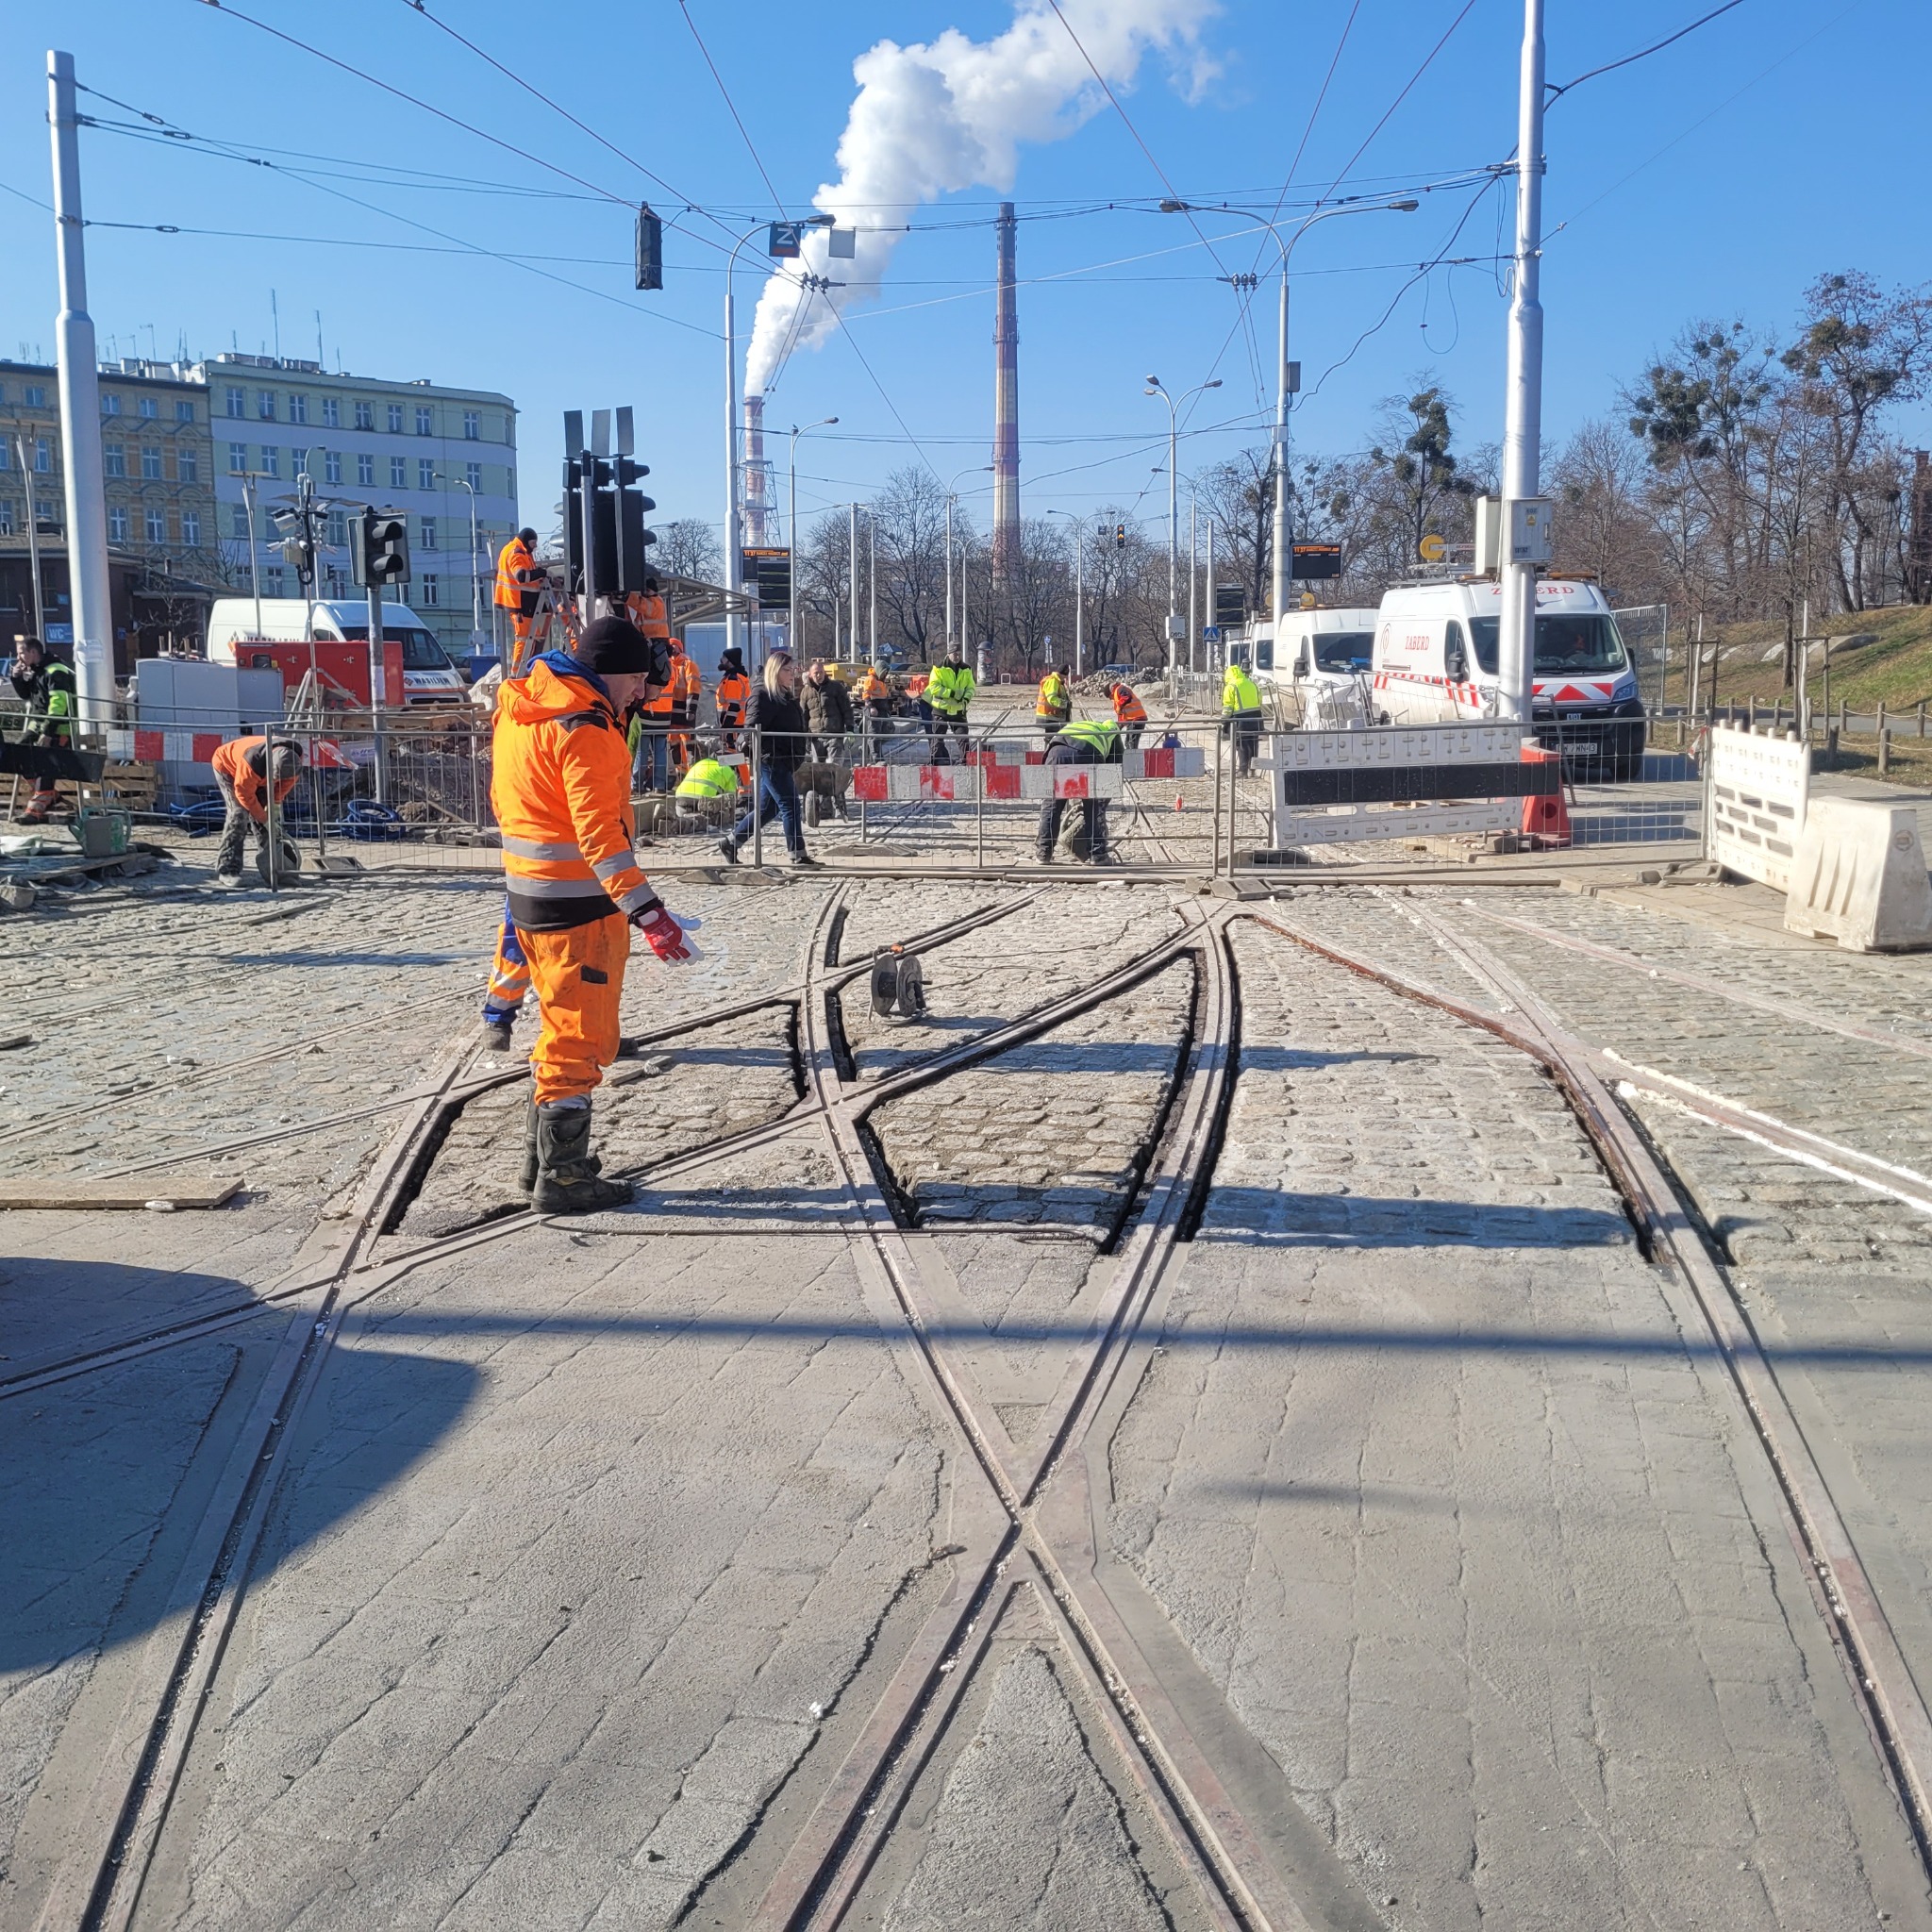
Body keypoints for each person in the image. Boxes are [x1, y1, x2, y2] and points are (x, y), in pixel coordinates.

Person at [491, 613, 691, 1212]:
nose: (641, 693)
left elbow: (507, 802)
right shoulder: (588, 728)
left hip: (529, 897)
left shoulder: (523, 710)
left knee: (558, 1032)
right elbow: (600, 835)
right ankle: (565, 1177)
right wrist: (649, 913)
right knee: (580, 1040)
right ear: (616, 672)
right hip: (579, 907)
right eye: (637, 682)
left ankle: (540, 1163)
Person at [717, 649, 817, 869]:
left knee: (767, 809)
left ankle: (731, 842)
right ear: (776, 671)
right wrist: (762, 754)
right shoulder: (762, 694)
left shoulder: (782, 694)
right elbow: (751, 727)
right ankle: (797, 854)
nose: (792, 674)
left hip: (784, 759)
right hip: (772, 760)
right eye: (788, 670)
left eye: (793, 670)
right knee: (790, 805)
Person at [208, 734, 304, 886]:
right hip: (228, 768)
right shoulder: (252, 761)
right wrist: (264, 818)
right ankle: (227, 869)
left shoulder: (294, 762)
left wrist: (274, 811)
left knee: (268, 820)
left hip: (259, 776)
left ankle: (277, 869)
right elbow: (244, 794)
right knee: (238, 815)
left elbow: (281, 789)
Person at [1035, 715, 1122, 866]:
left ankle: (1043, 854)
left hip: (1055, 752)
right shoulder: (1113, 733)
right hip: (1086, 753)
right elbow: (1113, 772)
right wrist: (1102, 803)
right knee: (1093, 806)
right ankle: (1098, 854)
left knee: (1052, 806)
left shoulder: (1082, 726)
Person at [8, 636, 76, 824]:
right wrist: (16, 677)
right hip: (37, 725)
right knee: (17, 755)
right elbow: (27, 695)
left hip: (58, 730)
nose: (19, 657)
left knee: (46, 765)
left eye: (21, 652)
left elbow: (59, 704)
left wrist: (48, 732)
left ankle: (35, 811)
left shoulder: (55, 671)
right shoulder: (39, 671)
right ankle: (50, 796)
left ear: (32, 652)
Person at [802, 658, 855, 813]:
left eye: (821, 672)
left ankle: (838, 803)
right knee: (818, 772)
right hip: (815, 737)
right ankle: (824, 806)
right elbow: (803, 715)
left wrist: (850, 728)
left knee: (833, 768)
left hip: (834, 735)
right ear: (810, 675)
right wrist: (804, 735)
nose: (819, 676)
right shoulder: (806, 692)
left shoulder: (836, 688)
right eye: (816, 673)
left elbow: (846, 708)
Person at [494, 528, 545, 664]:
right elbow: (522, 576)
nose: (534, 547)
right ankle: (518, 673)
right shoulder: (517, 552)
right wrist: (542, 573)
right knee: (525, 638)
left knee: (533, 636)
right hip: (519, 602)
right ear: (526, 541)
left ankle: (525, 669)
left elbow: (528, 575)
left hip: (520, 601)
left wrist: (539, 577)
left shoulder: (514, 549)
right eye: (533, 543)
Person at [925, 645, 976, 764]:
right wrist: (952, 693)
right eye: (955, 653)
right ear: (949, 654)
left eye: (959, 653)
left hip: (958, 711)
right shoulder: (938, 668)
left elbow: (971, 687)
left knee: (963, 739)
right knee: (937, 739)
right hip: (941, 710)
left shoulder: (966, 669)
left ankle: (966, 763)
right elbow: (934, 687)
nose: (957, 656)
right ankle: (935, 763)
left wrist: (966, 698)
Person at [1223, 658, 1263, 777]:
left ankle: (1242, 771)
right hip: (1256, 717)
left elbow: (1228, 707)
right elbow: (1259, 700)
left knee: (1242, 745)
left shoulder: (1231, 687)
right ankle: (1253, 770)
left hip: (1240, 719)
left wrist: (1223, 721)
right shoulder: (1252, 684)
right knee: (1253, 743)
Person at [714, 645, 751, 751]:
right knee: (736, 757)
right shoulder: (737, 677)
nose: (721, 659)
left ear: (730, 661)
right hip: (737, 725)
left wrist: (726, 729)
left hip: (734, 726)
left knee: (734, 757)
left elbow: (733, 707)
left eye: (724, 657)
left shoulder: (733, 680)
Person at [1036, 662, 1072, 747]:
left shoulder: (1058, 682)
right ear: (1064, 674)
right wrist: (1065, 704)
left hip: (1053, 716)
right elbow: (1052, 698)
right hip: (1050, 716)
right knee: (1053, 740)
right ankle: (1050, 757)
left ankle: (1050, 756)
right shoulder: (1053, 681)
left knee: (1054, 740)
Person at [1108, 676, 1148, 751]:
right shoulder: (1117, 696)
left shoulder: (1120, 688)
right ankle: (1131, 758)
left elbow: (1127, 697)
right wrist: (1118, 728)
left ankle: (1134, 760)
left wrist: (1120, 705)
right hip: (1133, 720)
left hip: (1137, 719)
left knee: (1132, 743)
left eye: (1110, 697)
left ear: (1111, 692)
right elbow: (1122, 716)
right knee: (1128, 743)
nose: (1111, 699)